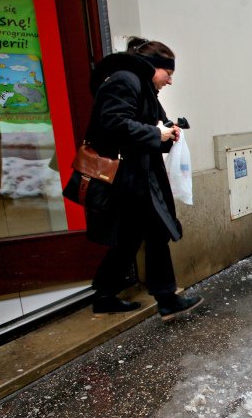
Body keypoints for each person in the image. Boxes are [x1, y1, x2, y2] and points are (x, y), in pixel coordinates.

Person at [86, 37, 203, 320]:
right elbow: (111, 123)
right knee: (155, 233)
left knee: (130, 237)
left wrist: (168, 133)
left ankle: (104, 294)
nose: (170, 81)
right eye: (169, 74)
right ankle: (166, 299)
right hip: (128, 179)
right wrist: (156, 134)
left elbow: (147, 128)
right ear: (153, 67)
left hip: (138, 176)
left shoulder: (143, 87)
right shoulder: (125, 80)